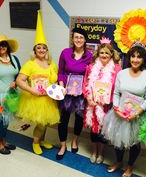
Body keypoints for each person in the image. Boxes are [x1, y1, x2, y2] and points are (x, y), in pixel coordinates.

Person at [102, 42, 146, 177]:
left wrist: (137, 113)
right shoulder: (122, 73)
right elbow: (116, 93)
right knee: (118, 139)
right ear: (129, 57)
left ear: (144, 59)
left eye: (139, 57)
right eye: (133, 56)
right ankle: (118, 162)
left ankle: (130, 166)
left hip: (137, 116)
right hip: (119, 113)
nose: (135, 60)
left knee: (134, 143)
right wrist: (116, 108)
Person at [16, 10, 60, 155]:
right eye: (38, 48)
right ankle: (35, 143)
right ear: (35, 50)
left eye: (44, 48)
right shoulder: (30, 64)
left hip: (48, 99)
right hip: (35, 98)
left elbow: (57, 79)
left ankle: (41, 140)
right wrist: (31, 90)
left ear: (47, 50)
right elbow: (19, 80)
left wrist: (60, 88)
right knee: (41, 123)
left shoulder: (51, 64)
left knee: (46, 122)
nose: (41, 50)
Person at [83, 37, 122, 164]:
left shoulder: (117, 69)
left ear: (111, 54)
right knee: (94, 130)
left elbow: (118, 88)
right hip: (92, 104)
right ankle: (94, 152)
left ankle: (101, 152)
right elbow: (85, 84)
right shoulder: (91, 67)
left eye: (106, 52)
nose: (104, 55)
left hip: (107, 105)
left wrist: (108, 100)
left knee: (103, 130)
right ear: (98, 54)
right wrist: (88, 98)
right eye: (101, 53)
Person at [56, 27, 92, 160]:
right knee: (63, 119)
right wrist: (61, 86)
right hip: (65, 91)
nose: (78, 40)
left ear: (85, 39)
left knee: (79, 119)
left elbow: (90, 75)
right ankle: (63, 145)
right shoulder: (65, 52)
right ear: (72, 39)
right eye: (76, 37)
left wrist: (81, 89)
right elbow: (60, 71)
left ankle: (75, 140)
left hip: (80, 94)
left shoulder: (89, 56)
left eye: (81, 37)